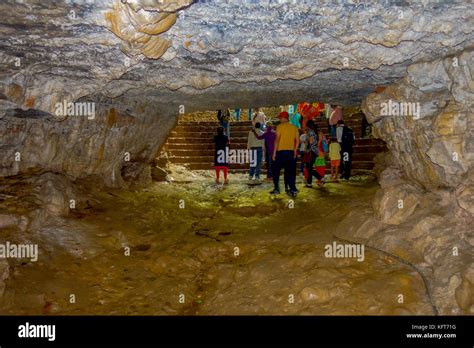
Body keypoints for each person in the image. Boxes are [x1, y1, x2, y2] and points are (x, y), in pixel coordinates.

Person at [271, 111, 299, 196]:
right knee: (290, 171)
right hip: (290, 152)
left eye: (280, 118)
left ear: (284, 118)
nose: (279, 119)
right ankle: (291, 188)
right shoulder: (294, 127)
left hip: (281, 152)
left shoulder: (279, 127)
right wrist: (295, 150)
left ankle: (277, 188)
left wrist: (274, 152)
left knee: (275, 170)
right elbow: (297, 141)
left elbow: (277, 140)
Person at [303, 120, 324, 187]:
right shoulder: (315, 132)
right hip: (315, 151)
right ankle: (309, 183)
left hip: (310, 151)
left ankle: (320, 178)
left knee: (309, 168)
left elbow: (310, 141)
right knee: (309, 168)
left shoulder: (310, 132)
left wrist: (306, 141)